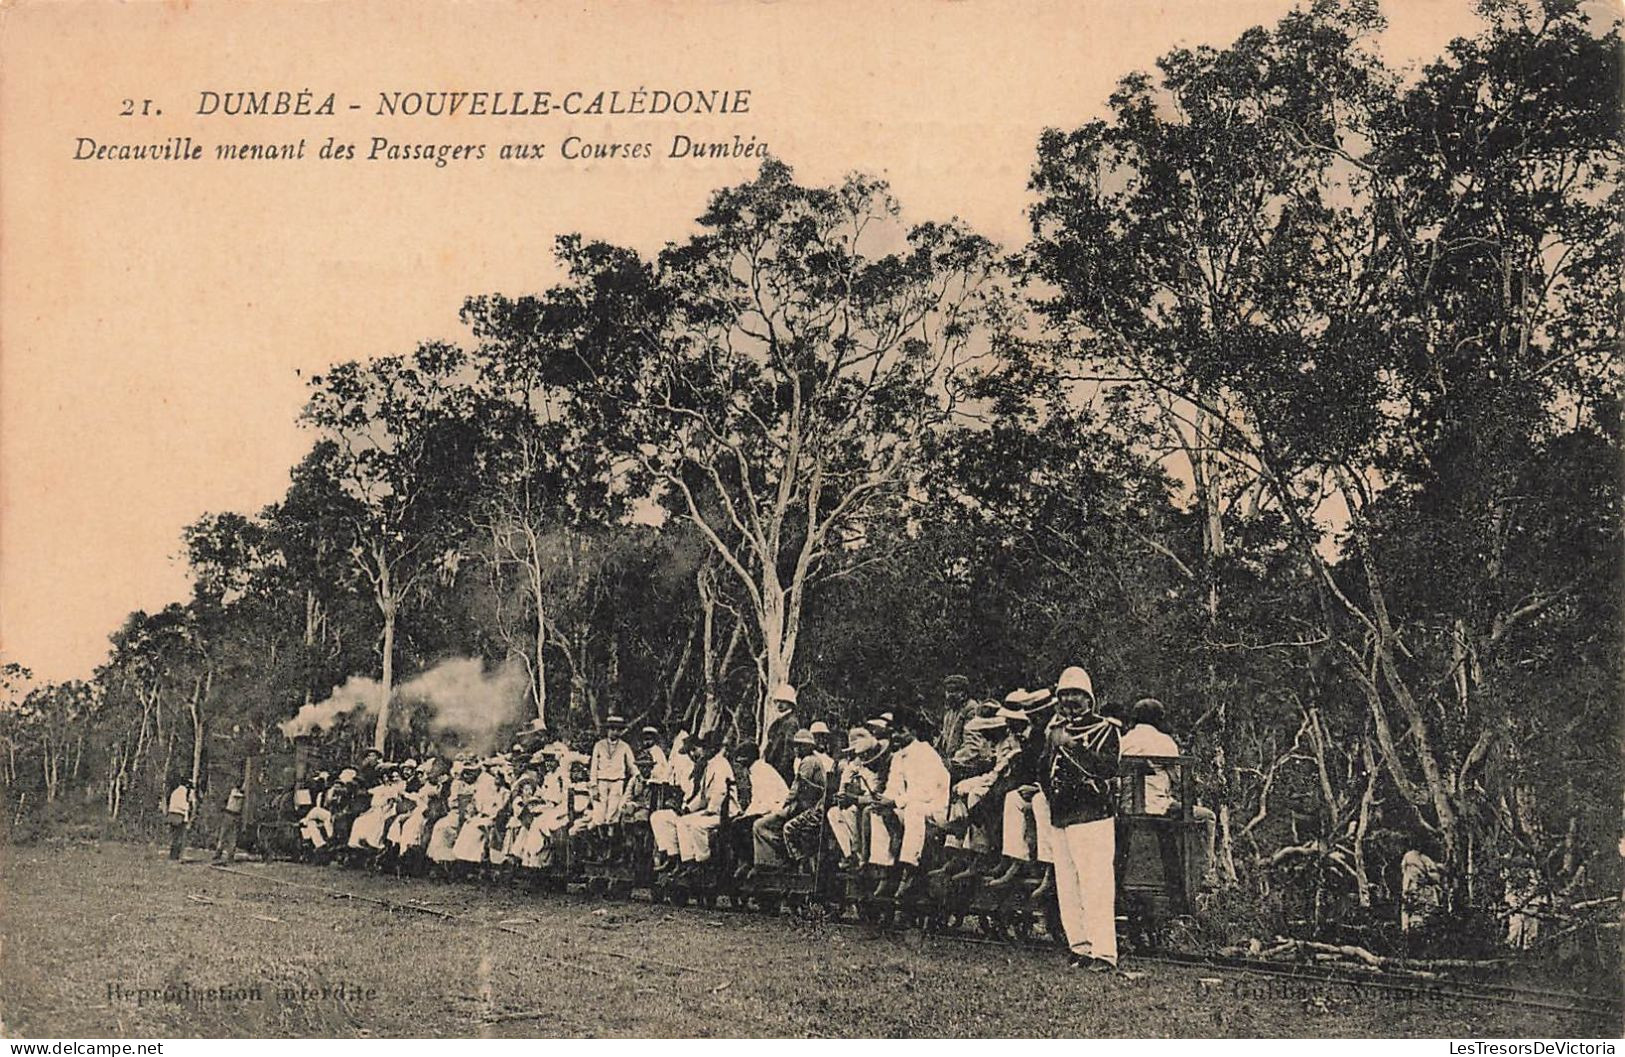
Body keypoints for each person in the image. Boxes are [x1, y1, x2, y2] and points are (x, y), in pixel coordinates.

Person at [1042, 665, 1123, 971]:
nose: (1071, 701)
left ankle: (1104, 952)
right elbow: (1043, 769)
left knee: (1096, 883)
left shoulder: (1106, 729)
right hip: (1062, 815)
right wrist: (1052, 796)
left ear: (1089, 699)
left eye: (1077, 695)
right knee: (1068, 885)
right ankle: (1080, 947)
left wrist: (1074, 748)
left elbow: (1108, 768)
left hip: (1092, 815)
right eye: (1065, 695)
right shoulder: (1053, 732)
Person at [867, 709, 950, 900]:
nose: (896, 736)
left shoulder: (926, 752)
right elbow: (893, 787)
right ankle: (885, 870)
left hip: (935, 806)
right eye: (894, 731)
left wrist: (895, 802)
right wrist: (883, 800)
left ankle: (909, 869)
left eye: (901, 731)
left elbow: (926, 791)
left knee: (914, 809)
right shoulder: (898, 756)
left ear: (912, 731)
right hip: (910, 804)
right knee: (876, 811)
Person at [650, 731, 737, 872]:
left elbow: (720, 792)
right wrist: (688, 809)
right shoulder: (708, 765)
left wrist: (708, 811)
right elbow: (702, 796)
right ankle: (675, 857)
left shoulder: (720, 764)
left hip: (723, 812)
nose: (702, 752)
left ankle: (700, 862)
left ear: (713, 749)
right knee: (661, 817)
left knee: (691, 823)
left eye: (705, 748)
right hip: (709, 810)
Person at [828, 727, 888, 868]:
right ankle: (851, 855)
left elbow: (876, 795)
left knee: (854, 810)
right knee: (834, 812)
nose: (857, 757)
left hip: (872, 804)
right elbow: (844, 788)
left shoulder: (878, 766)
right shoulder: (853, 766)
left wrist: (855, 798)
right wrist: (843, 796)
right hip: (861, 801)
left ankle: (860, 856)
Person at [588, 715, 641, 830]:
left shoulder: (624, 746)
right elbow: (593, 767)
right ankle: (599, 839)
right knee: (599, 812)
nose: (615, 732)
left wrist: (638, 776)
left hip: (617, 782)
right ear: (607, 730)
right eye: (612, 729)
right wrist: (594, 786)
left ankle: (610, 841)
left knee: (613, 811)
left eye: (618, 729)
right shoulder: (599, 745)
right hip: (601, 781)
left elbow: (632, 765)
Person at [761, 685, 801, 779]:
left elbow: (789, 751)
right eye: (777, 701)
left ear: (790, 703)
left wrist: (779, 771)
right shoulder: (778, 722)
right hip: (772, 769)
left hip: (782, 772)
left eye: (783, 702)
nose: (779, 704)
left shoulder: (791, 722)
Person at [939, 674, 973, 758]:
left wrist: (955, 760)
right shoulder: (950, 710)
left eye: (954, 691)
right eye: (948, 691)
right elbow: (945, 736)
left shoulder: (970, 709)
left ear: (964, 693)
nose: (950, 695)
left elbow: (971, 743)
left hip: (964, 759)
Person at [212, 780, 246, 863]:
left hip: (236, 816)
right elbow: (240, 796)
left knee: (233, 837)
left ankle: (230, 855)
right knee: (223, 835)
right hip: (229, 814)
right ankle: (218, 853)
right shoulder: (234, 791)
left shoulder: (242, 794)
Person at [165, 777, 194, 861]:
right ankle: (176, 856)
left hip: (172, 814)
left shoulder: (175, 792)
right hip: (180, 816)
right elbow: (186, 806)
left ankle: (173, 855)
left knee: (174, 836)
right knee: (180, 837)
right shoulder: (186, 793)